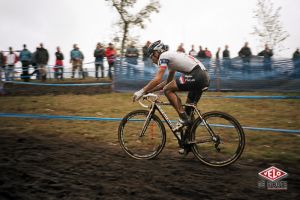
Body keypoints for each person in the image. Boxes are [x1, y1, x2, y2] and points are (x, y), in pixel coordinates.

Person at [133, 40, 210, 127]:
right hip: (203, 76)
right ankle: (188, 137)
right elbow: (168, 82)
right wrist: (149, 91)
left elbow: (158, 79)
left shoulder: (164, 56)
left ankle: (182, 117)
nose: (152, 61)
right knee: (188, 113)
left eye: (151, 57)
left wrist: (141, 91)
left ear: (156, 53)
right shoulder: (171, 57)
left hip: (197, 75)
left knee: (168, 90)